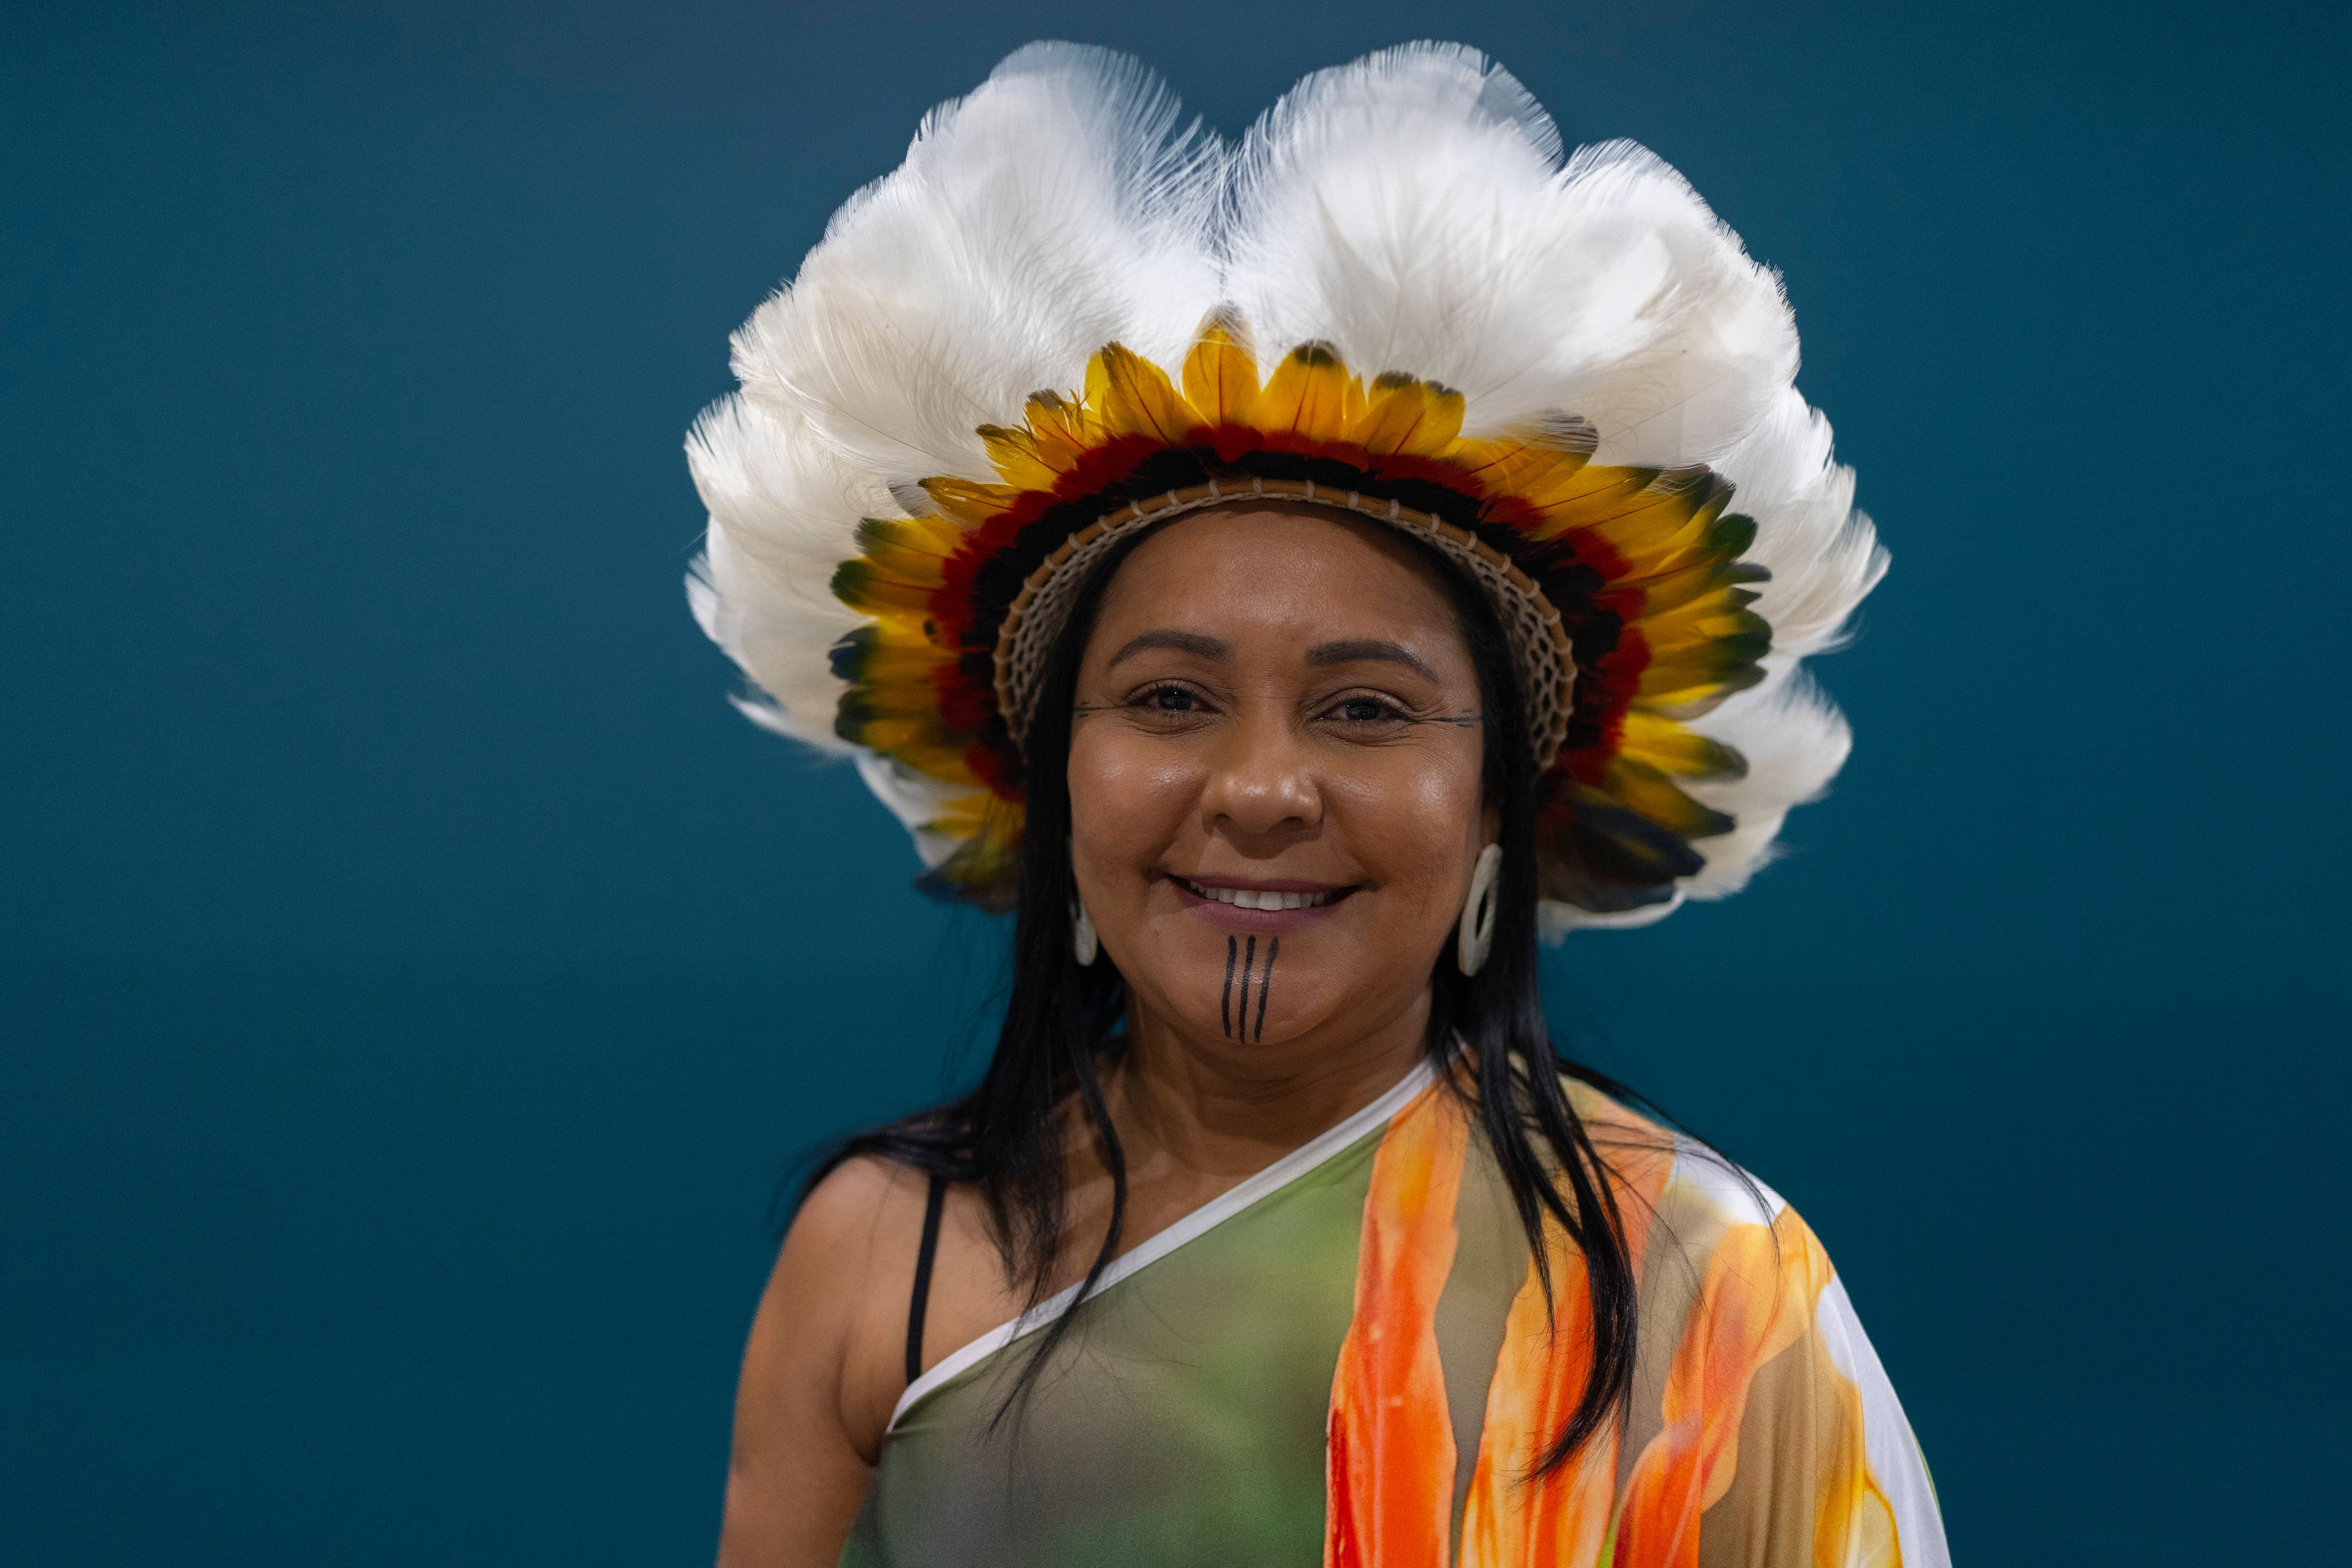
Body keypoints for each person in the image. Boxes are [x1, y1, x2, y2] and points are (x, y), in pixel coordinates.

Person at [688, 42, 1948, 1567]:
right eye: (1170, 699)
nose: (1265, 789)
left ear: (1498, 805)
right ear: (1055, 784)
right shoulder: (878, 1260)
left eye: (1365, 708)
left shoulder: (1707, 1293)